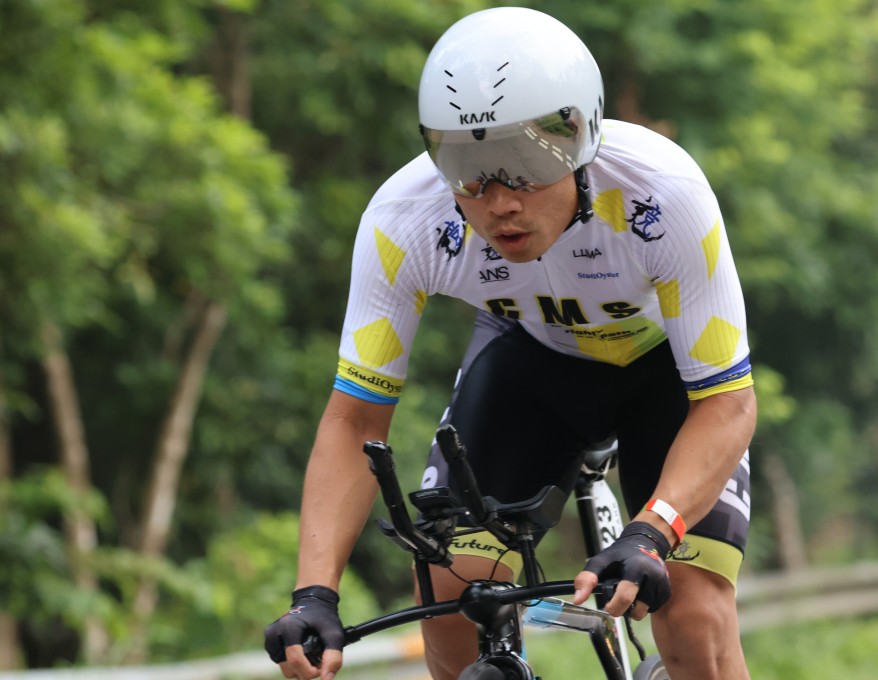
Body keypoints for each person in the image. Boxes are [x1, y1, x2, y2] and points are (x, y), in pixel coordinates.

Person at [264, 6, 756, 680]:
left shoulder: (662, 196)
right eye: (467, 168)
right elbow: (353, 420)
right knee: (451, 591)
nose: (498, 203)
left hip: (668, 380)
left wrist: (652, 532)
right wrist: (314, 594)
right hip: (532, 366)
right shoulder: (405, 219)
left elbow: (729, 405)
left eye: (523, 164)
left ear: (582, 136)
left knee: (691, 613)